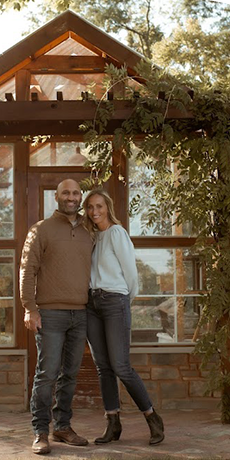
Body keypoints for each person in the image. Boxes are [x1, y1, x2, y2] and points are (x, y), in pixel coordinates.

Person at [82, 188, 165, 445]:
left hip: (115, 301)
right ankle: (113, 423)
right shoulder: (92, 238)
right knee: (103, 367)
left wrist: (124, 302)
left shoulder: (117, 233)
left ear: (107, 207)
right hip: (91, 304)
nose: (94, 211)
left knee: (121, 366)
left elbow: (131, 274)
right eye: (90, 207)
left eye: (99, 206)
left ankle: (152, 418)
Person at [20, 179, 94, 455]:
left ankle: (62, 427)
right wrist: (30, 307)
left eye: (76, 193)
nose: (72, 197)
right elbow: (27, 270)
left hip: (80, 312)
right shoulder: (40, 230)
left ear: (80, 197)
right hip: (50, 313)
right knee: (47, 374)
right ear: (56, 197)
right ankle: (40, 432)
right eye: (66, 192)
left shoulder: (89, 230)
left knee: (70, 374)